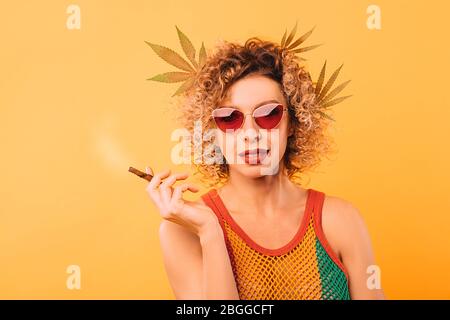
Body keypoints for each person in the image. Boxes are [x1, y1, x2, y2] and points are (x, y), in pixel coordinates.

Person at [145, 32, 385, 300]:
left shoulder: (341, 220)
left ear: (293, 122)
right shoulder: (182, 230)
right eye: (229, 118)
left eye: (268, 114)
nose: (250, 133)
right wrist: (210, 232)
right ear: (212, 131)